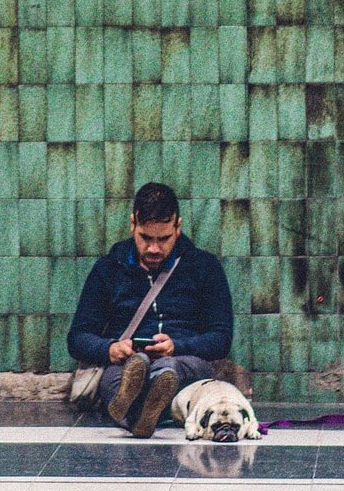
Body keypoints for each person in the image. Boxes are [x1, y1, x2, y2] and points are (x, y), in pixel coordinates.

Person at [67, 181, 234, 437]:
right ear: (133, 224)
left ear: (178, 227)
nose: (154, 248)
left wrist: (176, 347)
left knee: (173, 369)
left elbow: (221, 338)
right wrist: (110, 348)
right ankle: (140, 413)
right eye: (146, 238)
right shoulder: (109, 269)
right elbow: (78, 337)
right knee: (121, 376)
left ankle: (144, 406)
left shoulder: (204, 267)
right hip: (125, 365)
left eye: (163, 239)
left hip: (185, 364)